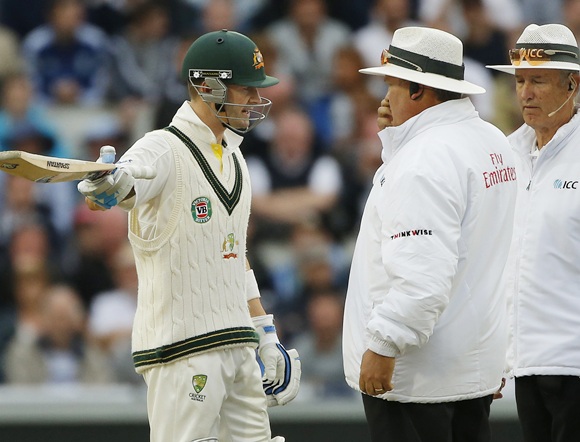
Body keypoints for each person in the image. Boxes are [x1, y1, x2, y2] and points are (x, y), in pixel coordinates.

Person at [76, 29, 300, 442]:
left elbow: (235, 255)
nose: (254, 101)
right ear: (206, 85)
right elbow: (122, 184)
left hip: (238, 345)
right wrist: (105, 188)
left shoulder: (234, 157)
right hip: (182, 350)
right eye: (245, 90)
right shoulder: (161, 148)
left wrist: (265, 332)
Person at [342, 26, 518, 442]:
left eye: (393, 85)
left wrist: (384, 346)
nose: (384, 99)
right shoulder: (493, 141)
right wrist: (399, 141)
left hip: (416, 382)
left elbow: (422, 276)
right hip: (470, 368)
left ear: (419, 90)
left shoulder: (422, 160)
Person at [486, 23, 580, 442]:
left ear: (572, 84)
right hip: (524, 364)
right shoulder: (506, 154)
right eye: (520, 80)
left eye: (538, 80)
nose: (524, 93)